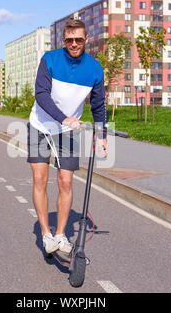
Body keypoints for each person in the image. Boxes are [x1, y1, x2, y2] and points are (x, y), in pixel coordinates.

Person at [27, 19, 108, 255]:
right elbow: (41, 94)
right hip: (40, 125)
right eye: (70, 40)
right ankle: (46, 235)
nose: (74, 44)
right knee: (40, 178)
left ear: (85, 40)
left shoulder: (94, 68)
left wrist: (101, 135)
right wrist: (63, 118)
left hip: (67, 131)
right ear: (64, 40)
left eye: (79, 40)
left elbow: (98, 104)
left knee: (65, 181)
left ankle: (61, 235)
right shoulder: (50, 60)